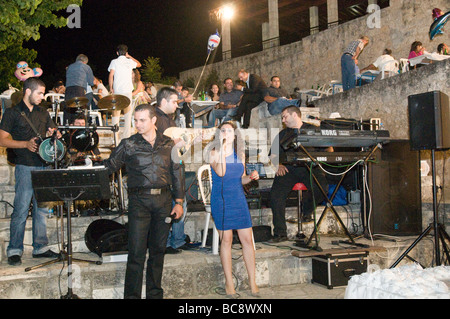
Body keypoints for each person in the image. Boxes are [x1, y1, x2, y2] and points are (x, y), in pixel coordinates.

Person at [104, 103, 184, 299]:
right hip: (139, 202)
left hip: (164, 202)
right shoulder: (129, 144)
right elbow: (109, 167)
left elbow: (177, 172)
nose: (137, 124)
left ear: (153, 120)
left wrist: (179, 201)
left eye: (142, 120)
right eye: (135, 120)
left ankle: (155, 295)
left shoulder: (168, 144)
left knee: (158, 252)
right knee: (136, 254)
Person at [0, 77, 61, 266]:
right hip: (25, 165)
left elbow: (53, 131)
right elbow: (2, 140)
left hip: (44, 164)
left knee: (41, 209)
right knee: (20, 209)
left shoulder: (43, 112)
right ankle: (14, 250)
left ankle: (40, 248)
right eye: (40, 93)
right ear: (28, 91)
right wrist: (24, 144)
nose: (43, 97)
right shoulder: (12, 112)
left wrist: (54, 134)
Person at [208, 121, 260, 298]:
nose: (226, 133)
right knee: (227, 240)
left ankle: (253, 282)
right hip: (221, 199)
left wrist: (251, 177)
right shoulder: (213, 152)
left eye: (229, 131)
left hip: (238, 198)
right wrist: (222, 147)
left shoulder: (240, 154)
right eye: (223, 131)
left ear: (235, 134)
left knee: (247, 238)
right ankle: (229, 283)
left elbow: (241, 179)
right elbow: (221, 172)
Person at [268, 106, 329, 243]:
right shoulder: (283, 134)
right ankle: (280, 233)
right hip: (288, 169)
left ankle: (306, 211)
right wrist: (278, 164)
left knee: (322, 188)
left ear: (295, 115)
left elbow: (328, 149)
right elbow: (273, 154)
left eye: (285, 117)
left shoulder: (313, 130)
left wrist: (322, 160)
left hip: (310, 168)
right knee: (276, 195)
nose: (283, 120)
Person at [154, 87, 190, 254]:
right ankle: (166, 243)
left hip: (174, 166)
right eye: (174, 102)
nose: (177, 105)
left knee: (180, 202)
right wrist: (174, 142)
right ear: (164, 101)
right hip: (163, 170)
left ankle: (178, 240)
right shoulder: (154, 118)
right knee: (167, 206)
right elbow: (154, 144)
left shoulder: (169, 119)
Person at [108, 44, 142, 140]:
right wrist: (129, 56)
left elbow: (111, 75)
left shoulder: (114, 61)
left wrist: (111, 87)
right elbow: (139, 64)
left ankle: (115, 135)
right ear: (126, 52)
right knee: (127, 114)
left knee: (116, 113)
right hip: (127, 91)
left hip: (118, 90)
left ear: (117, 52)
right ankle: (126, 136)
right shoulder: (129, 61)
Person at [64, 54, 95, 125]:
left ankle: (66, 129)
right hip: (79, 90)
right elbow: (91, 82)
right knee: (80, 111)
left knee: (68, 110)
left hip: (68, 90)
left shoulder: (69, 67)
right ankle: (79, 129)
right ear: (85, 62)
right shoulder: (86, 67)